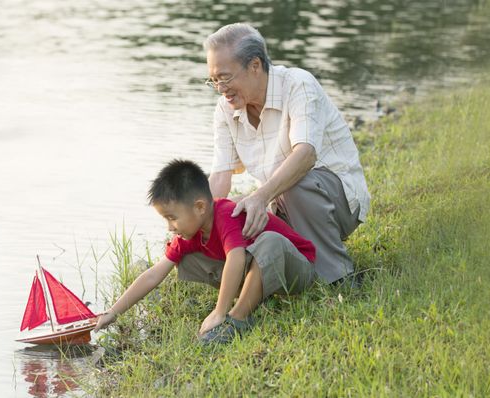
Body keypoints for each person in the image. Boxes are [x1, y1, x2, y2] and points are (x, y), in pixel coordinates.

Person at [201, 23, 370, 286]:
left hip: (336, 201)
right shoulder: (225, 109)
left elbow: (306, 156)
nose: (221, 88)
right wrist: (198, 219)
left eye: (225, 78)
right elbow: (220, 176)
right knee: (230, 210)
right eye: (213, 80)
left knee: (293, 184)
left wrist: (260, 196)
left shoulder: (298, 84)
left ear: (254, 65)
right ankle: (269, 272)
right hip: (279, 203)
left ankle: (340, 277)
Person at [88, 159, 317, 344]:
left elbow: (236, 257)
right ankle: (250, 296)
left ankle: (237, 318)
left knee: (268, 241)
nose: (169, 227)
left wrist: (219, 311)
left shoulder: (225, 214)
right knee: (184, 258)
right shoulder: (190, 233)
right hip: (262, 273)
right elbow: (153, 274)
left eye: (172, 218)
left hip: (296, 270)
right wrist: (113, 311)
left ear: (199, 207)